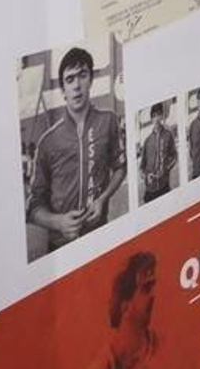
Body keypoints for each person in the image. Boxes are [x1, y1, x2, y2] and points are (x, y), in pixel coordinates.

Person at [29, 48, 127, 251]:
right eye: (70, 79)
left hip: (99, 235)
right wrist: (58, 222)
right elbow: (33, 206)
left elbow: (120, 168)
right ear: (63, 90)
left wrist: (102, 199)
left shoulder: (108, 121)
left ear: (90, 79)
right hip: (60, 245)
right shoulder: (48, 142)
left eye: (82, 75)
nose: (77, 86)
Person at [138, 103, 177, 204]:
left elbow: (174, 156)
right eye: (154, 116)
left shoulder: (168, 135)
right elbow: (142, 167)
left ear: (162, 116)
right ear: (151, 119)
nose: (156, 118)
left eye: (159, 115)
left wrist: (165, 170)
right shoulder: (147, 141)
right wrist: (146, 176)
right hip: (150, 191)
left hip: (164, 186)